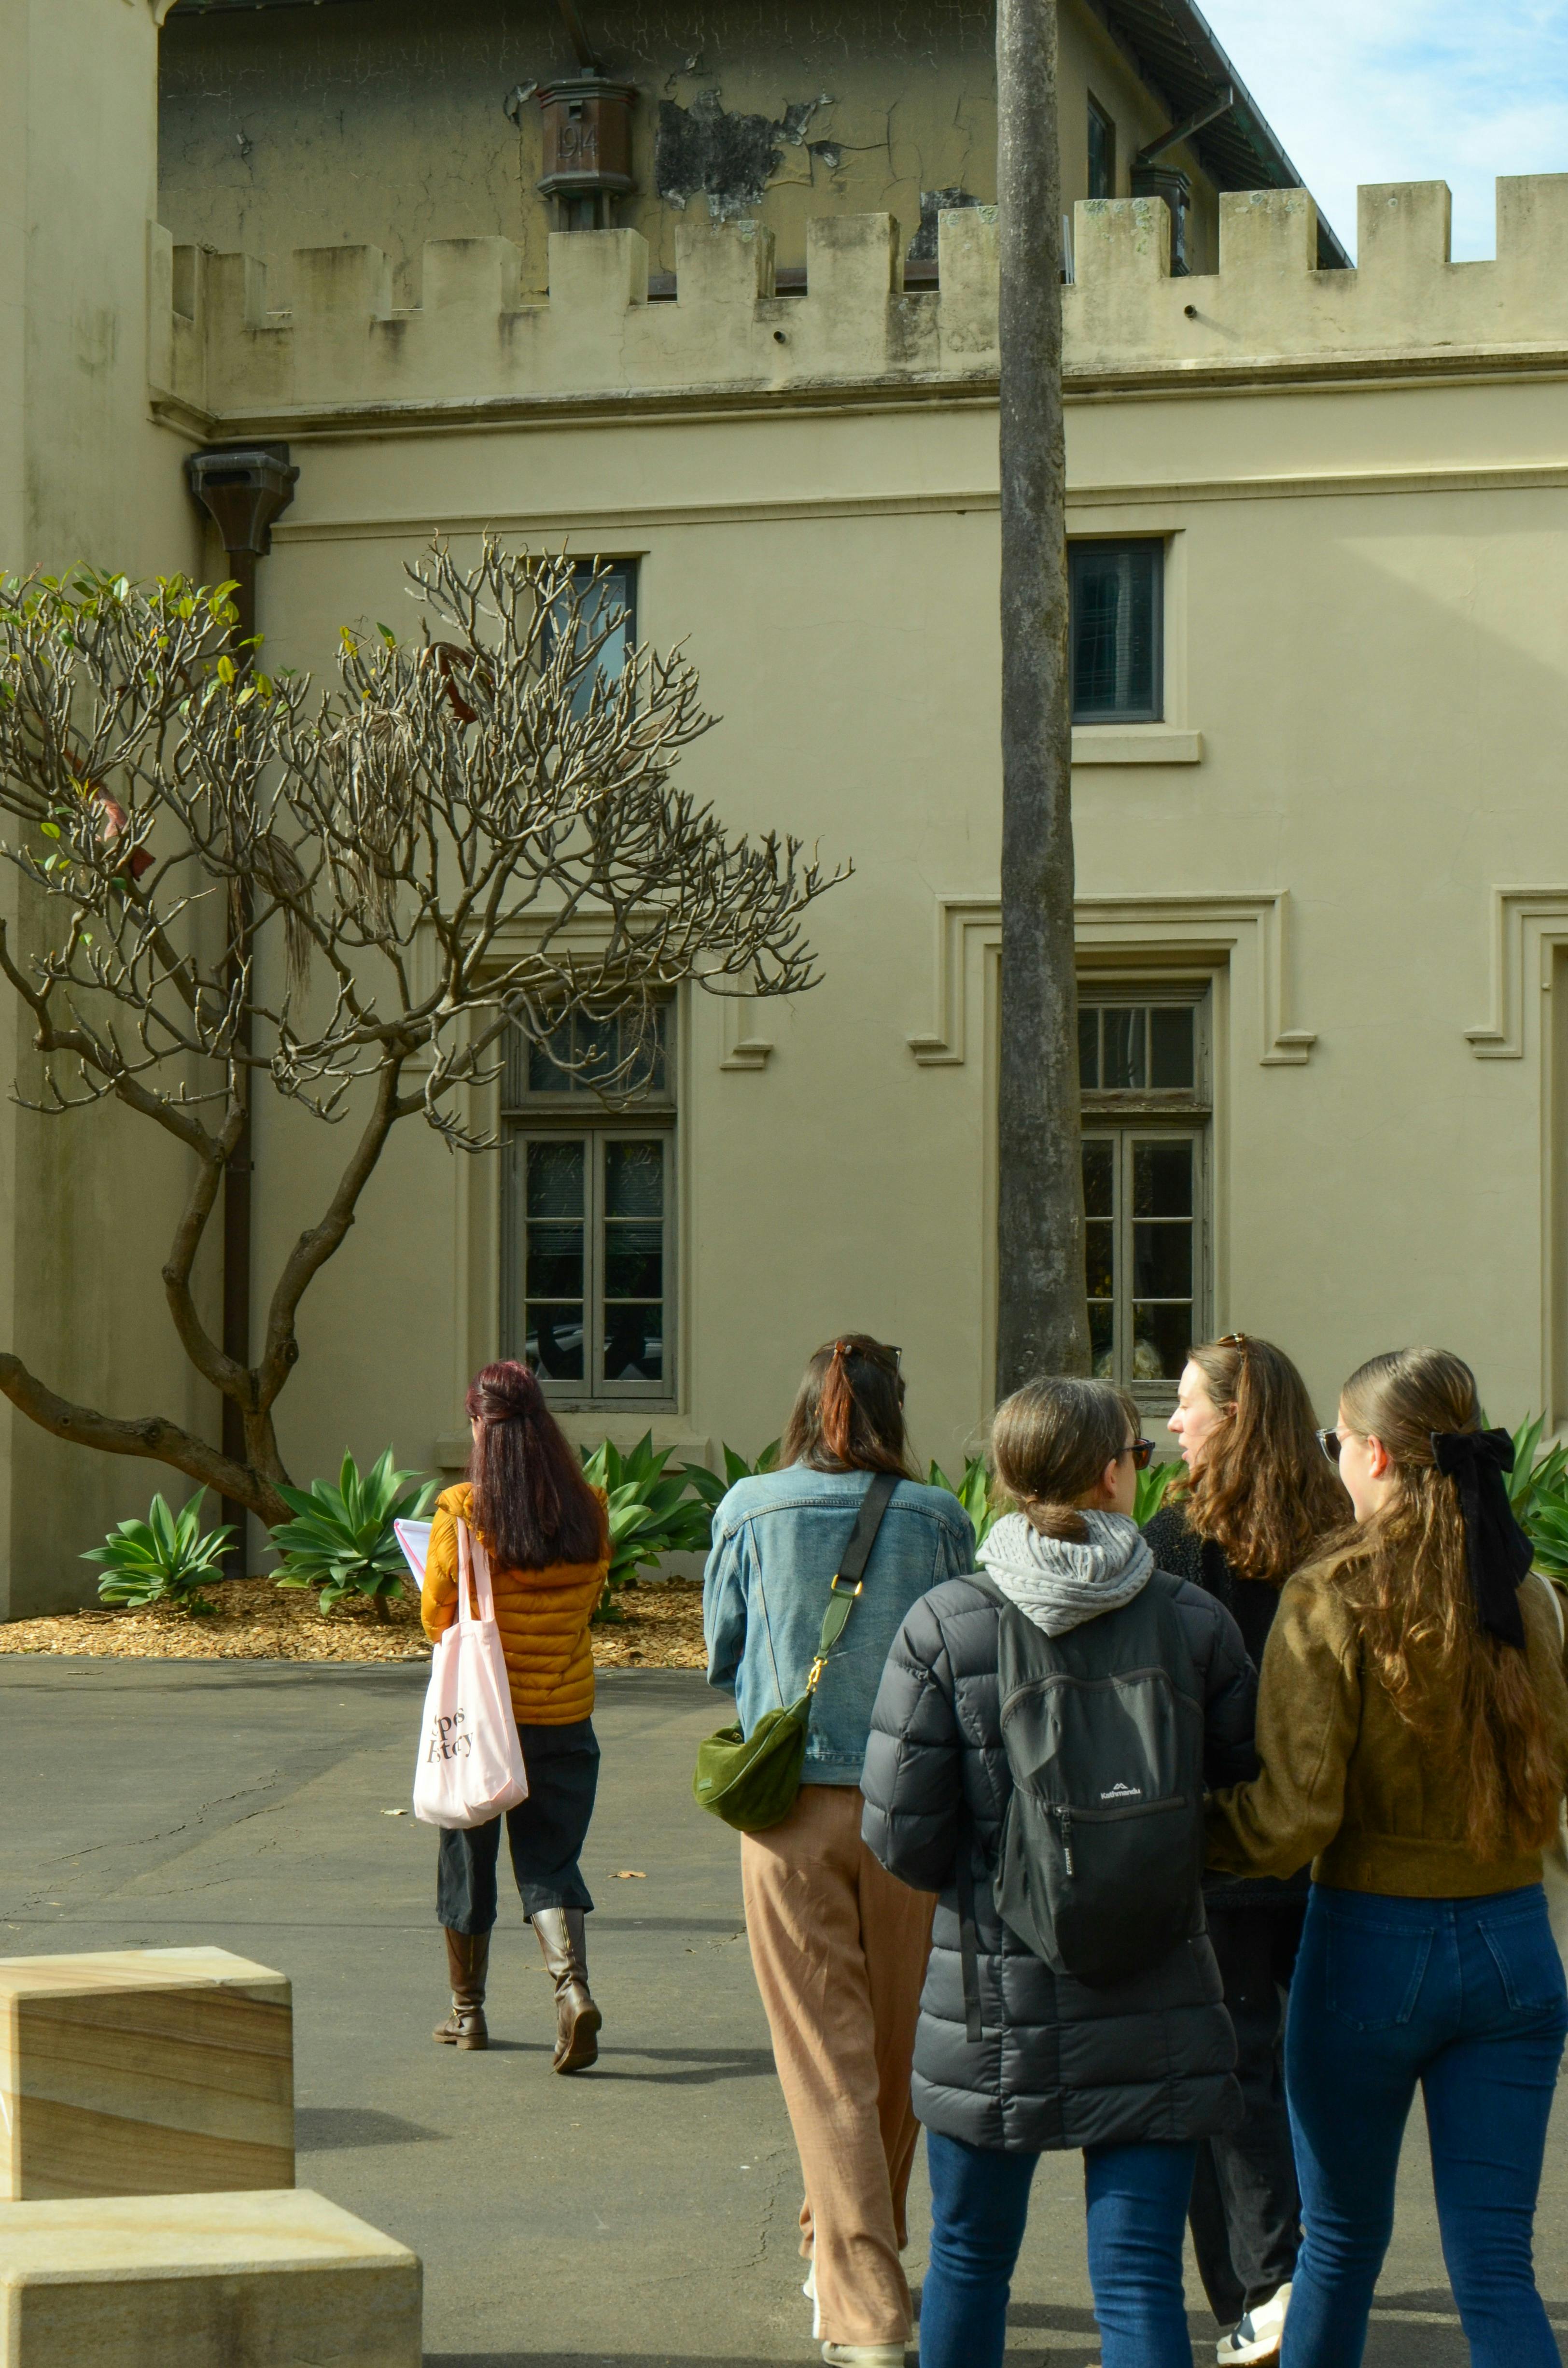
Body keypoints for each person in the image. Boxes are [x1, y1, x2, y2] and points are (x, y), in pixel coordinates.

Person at [861, 1376, 1258, 2368]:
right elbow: (1243, 1782)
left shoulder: (946, 1624)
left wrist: (1003, 1876)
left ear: (1006, 1474)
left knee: (968, 2257)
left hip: (991, 1995)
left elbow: (902, 1835)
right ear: (1112, 1475)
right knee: (1135, 2278)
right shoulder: (1194, 1621)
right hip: (1158, 1987)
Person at [1207, 1347, 1568, 2368]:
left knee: (1341, 2247)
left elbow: (1293, 1814)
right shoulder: (1530, 1595)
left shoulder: (1333, 1593)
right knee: (1497, 2265)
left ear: (1369, 1453)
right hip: (1513, 1947)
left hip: (1369, 1945)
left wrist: (1184, 1826)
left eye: (1334, 1443)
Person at [703, 1336, 975, 2368]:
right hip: (912, 1809)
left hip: (788, 1811)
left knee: (825, 2058)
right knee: (897, 2051)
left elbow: (724, 1648)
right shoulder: (940, 1519)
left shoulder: (749, 1509)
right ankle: (845, 2246)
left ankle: (864, 2308)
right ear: (891, 1412)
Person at [1144, 1334, 1349, 2366]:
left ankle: (1258, 2292)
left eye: (1189, 1404)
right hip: (1330, 1845)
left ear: (1235, 1415)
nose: (1172, 1421)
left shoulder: (1178, 1538)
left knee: (1226, 2073)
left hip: (1218, 1846)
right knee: (1312, 2073)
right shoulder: (1339, 1525)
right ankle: (1308, 2276)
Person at [421, 1358, 610, 2072]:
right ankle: (572, 1992)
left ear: (478, 1425)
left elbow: (436, 1618)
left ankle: (467, 2013)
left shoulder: (462, 1512)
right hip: (563, 1716)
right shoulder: (589, 1510)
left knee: (466, 1858)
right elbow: (589, 1601)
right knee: (551, 1860)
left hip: (480, 1722)